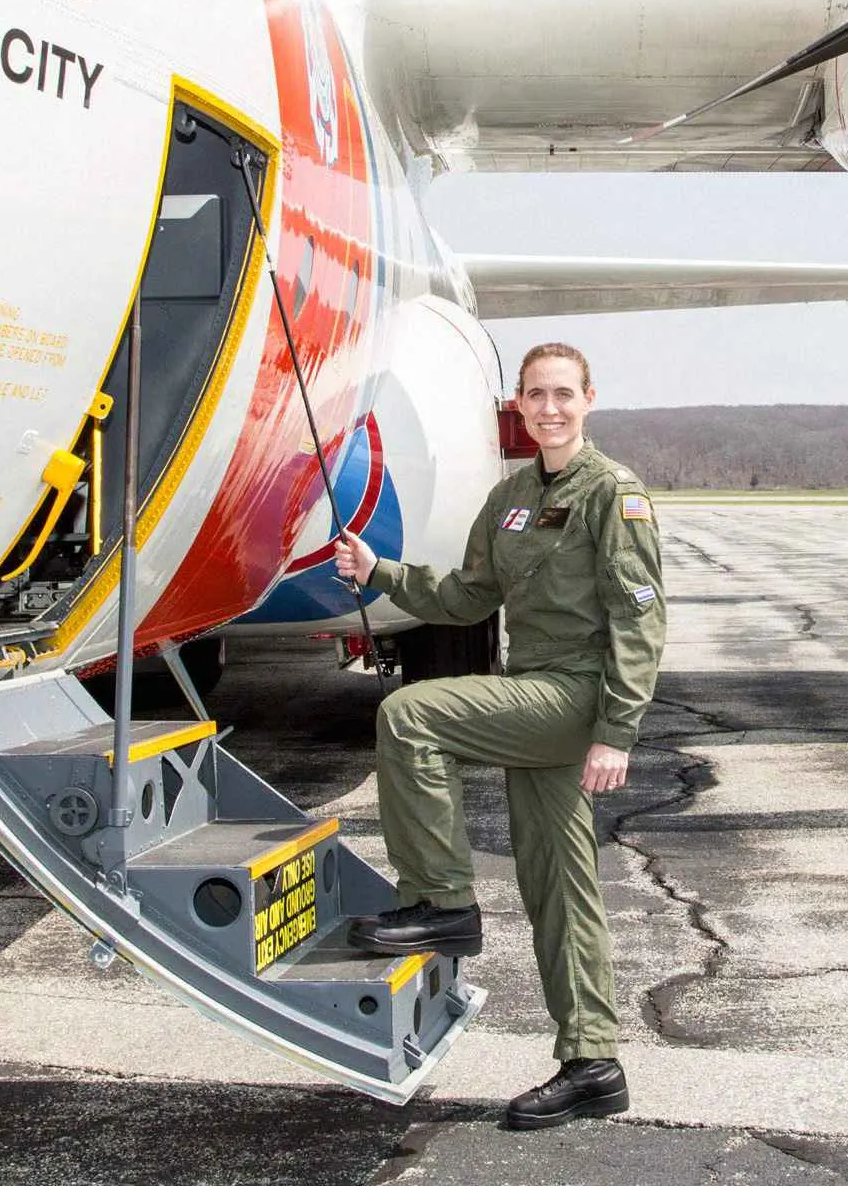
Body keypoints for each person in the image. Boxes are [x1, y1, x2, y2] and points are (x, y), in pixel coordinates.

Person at [333, 341, 666, 1131]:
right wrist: (381, 570)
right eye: (534, 396)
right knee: (560, 885)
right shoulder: (511, 497)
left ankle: (443, 901)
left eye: (563, 394)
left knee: (410, 714)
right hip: (530, 693)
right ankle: (593, 1064)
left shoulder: (612, 494)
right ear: (516, 405)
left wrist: (616, 731)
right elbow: (468, 595)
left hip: (575, 697)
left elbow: (640, 617)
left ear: (589, 398)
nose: (549, 408)